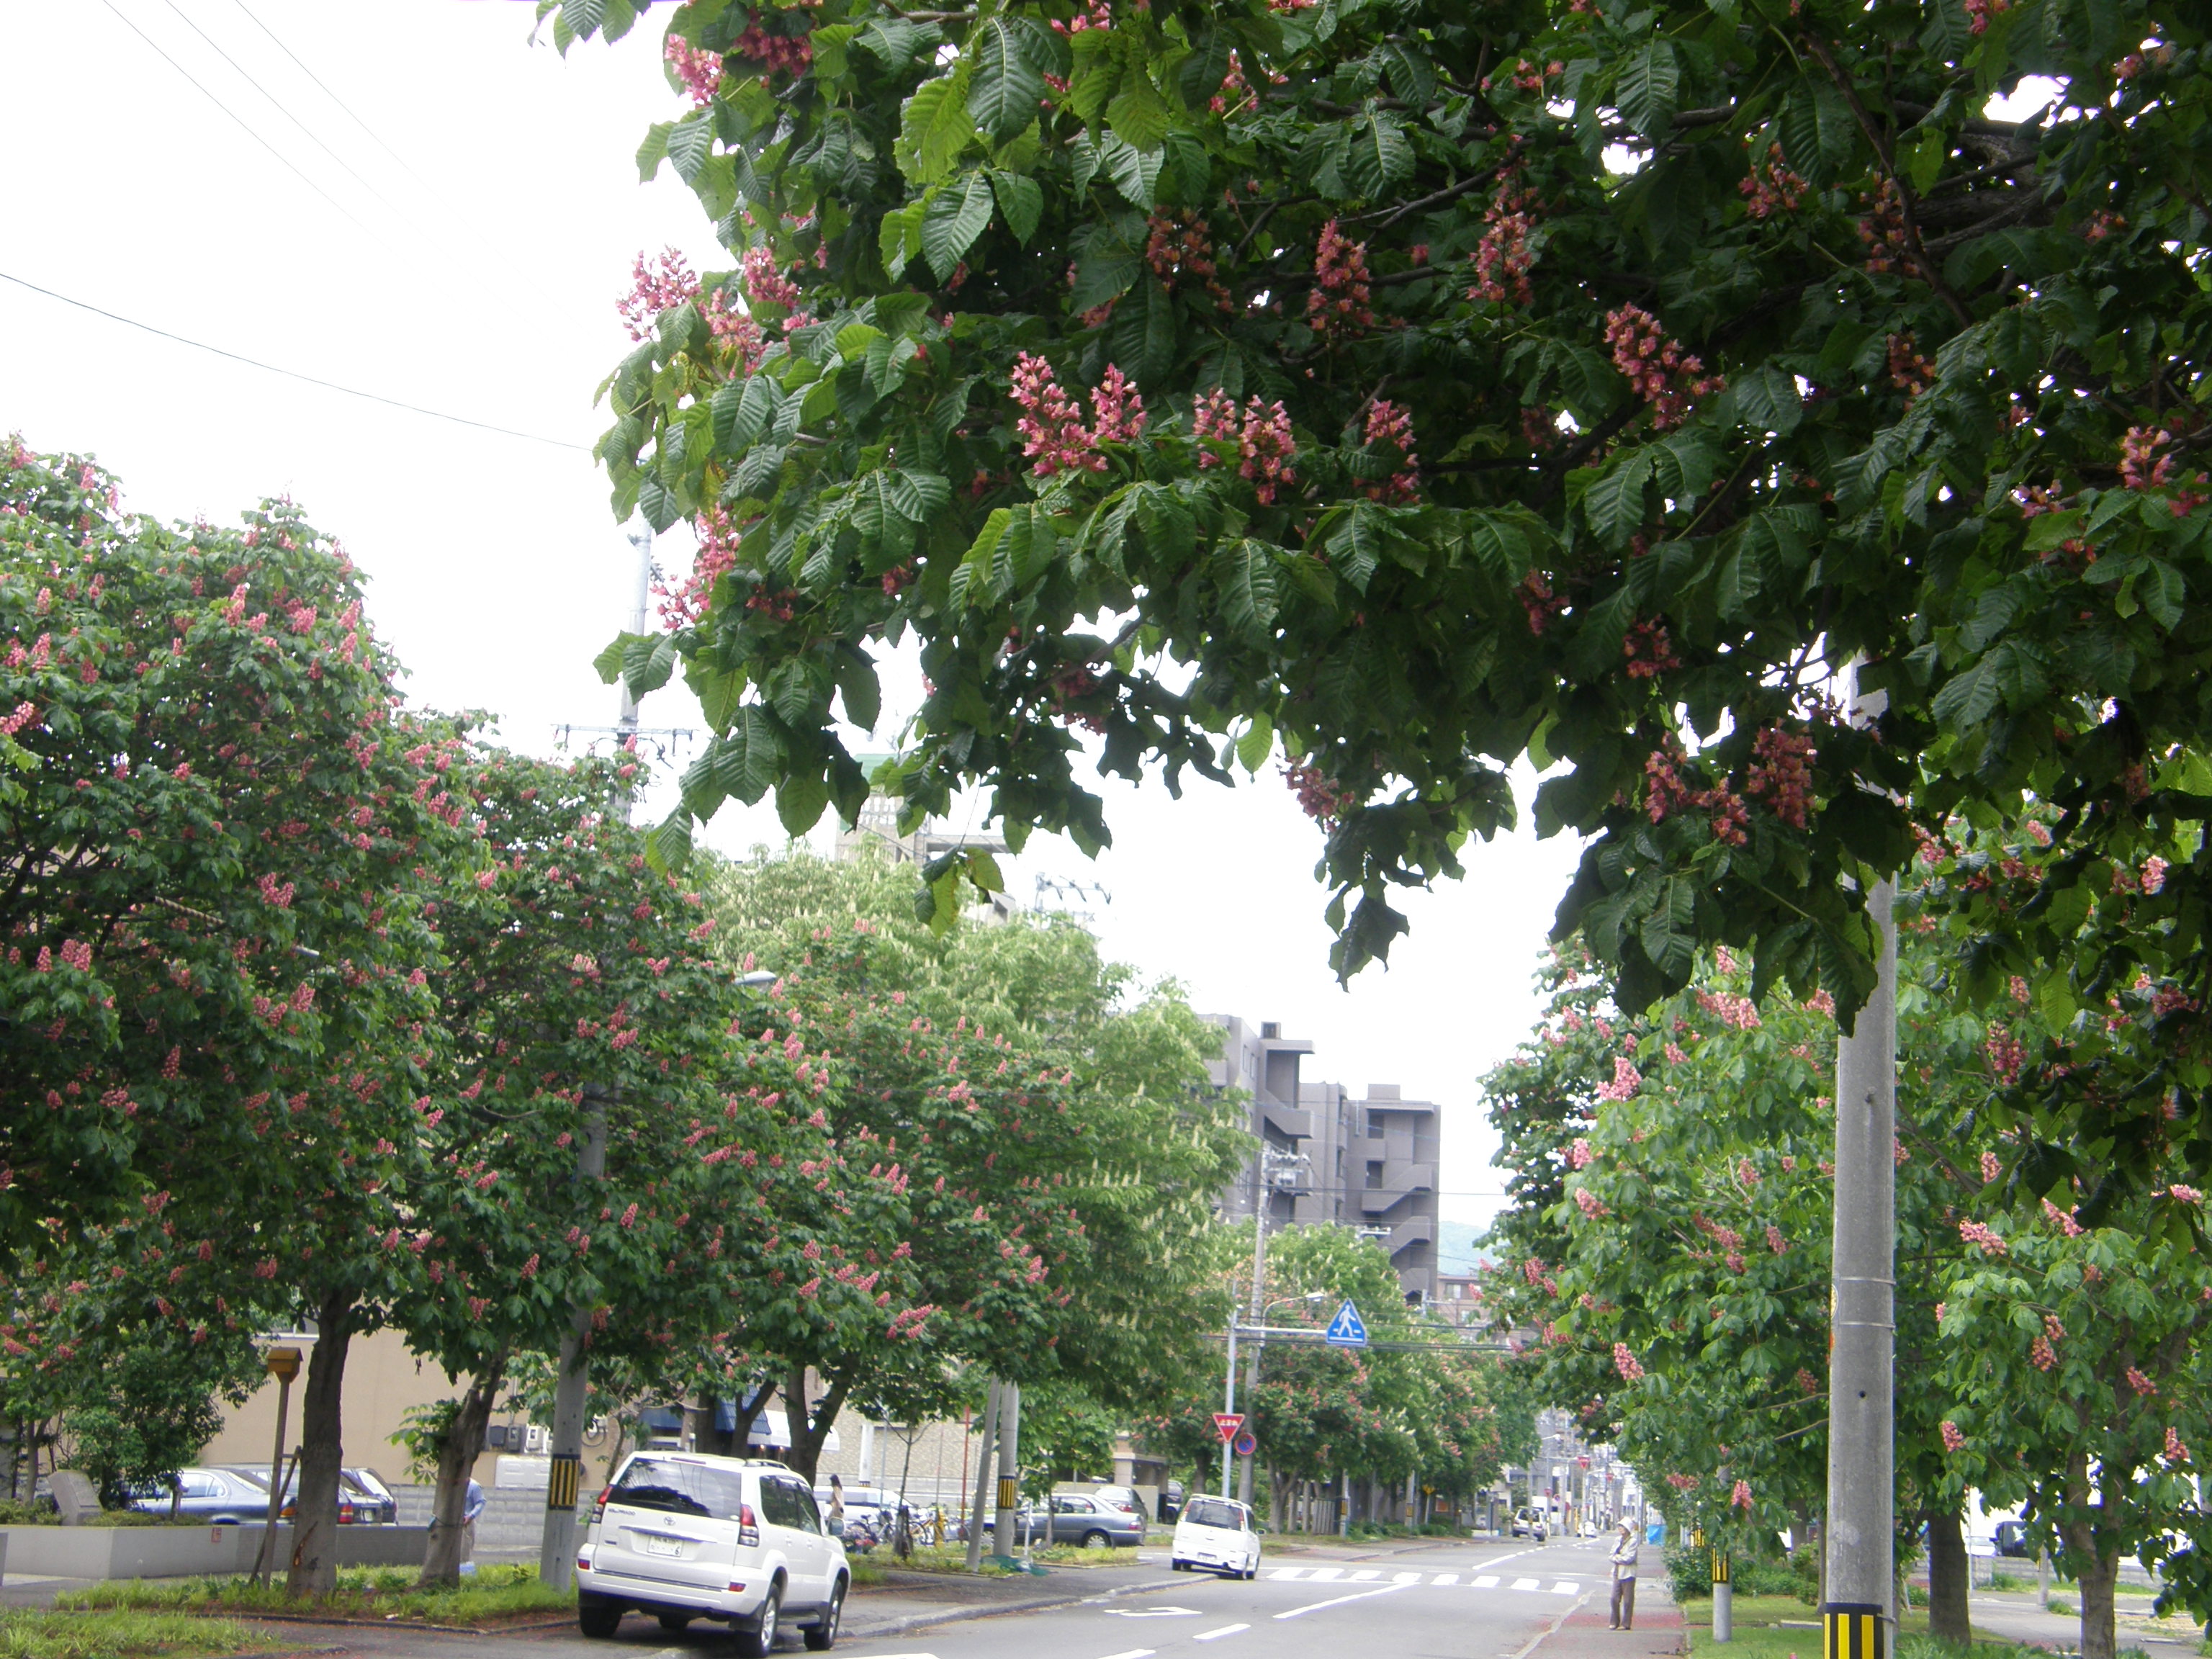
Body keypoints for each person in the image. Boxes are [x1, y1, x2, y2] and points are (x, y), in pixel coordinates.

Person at [1609, 1519, 1640, 1629]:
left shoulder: (1633, 1541)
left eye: (1622, 1526)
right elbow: (1611, 1555)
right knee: (1614, 1598)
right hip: (1617, 1572)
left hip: (1628, 1574)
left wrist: (1617, 1558)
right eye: (1619, 1526)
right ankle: (1614, 1622)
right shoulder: (1617, 1540)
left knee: (1627, 1600)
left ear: (1627, 1528)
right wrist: (1618, 1558)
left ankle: (1626, 1623)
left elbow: (1629, 1558)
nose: (1620, 1528)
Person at [461, 1476, 485, 1575]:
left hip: (465, 1522)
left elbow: (481, 1502)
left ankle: (464, 1575)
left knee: (464, 1550)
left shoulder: (474, 1486)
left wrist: (471, 1516)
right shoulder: (452, 1484)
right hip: (450, 1522)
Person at [827, 1474, 846, 1539]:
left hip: (837, 1509)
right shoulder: (839, 1488)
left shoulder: (836, 1488)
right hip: (837, 1508)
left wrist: (840, 1507)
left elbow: (838, 1498)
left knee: (832, 1521)